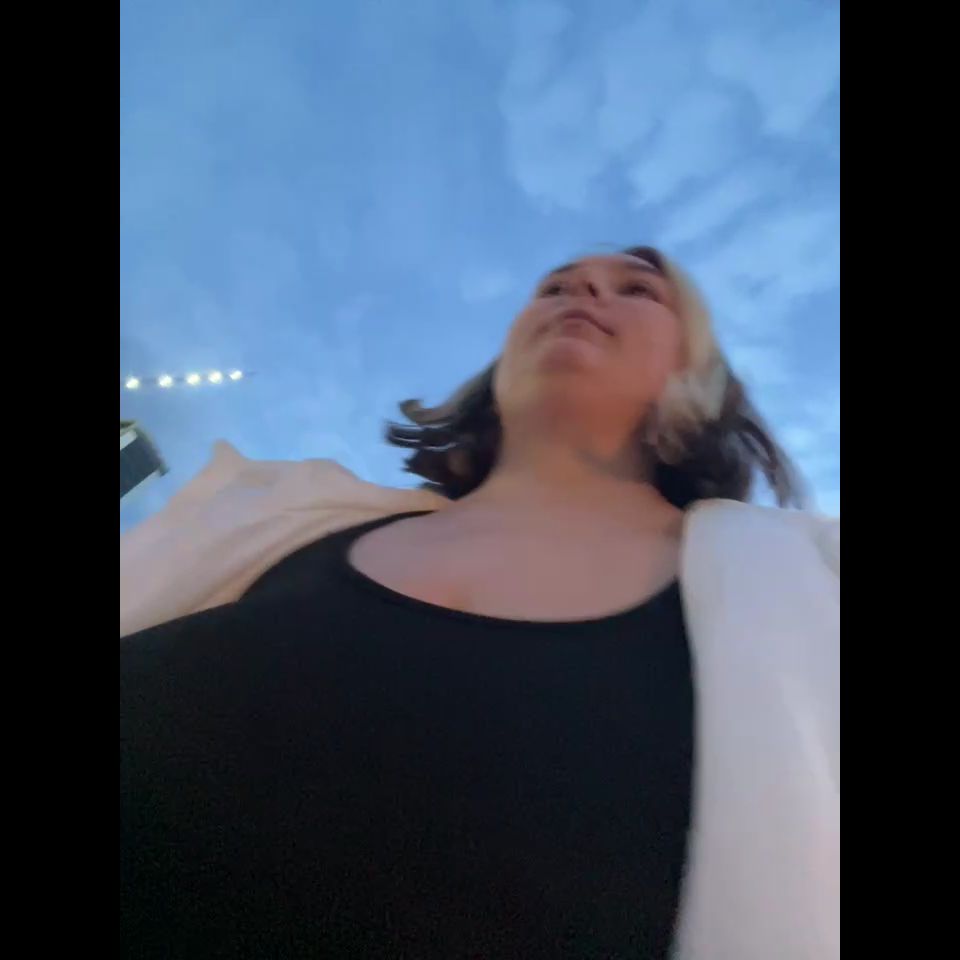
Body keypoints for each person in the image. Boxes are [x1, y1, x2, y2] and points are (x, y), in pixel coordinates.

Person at [120, 247, 839, 960]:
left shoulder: (808, 582)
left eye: (639, 290)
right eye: (555, 286)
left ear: (698, 366)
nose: (583, 288)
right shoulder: (272, 524)